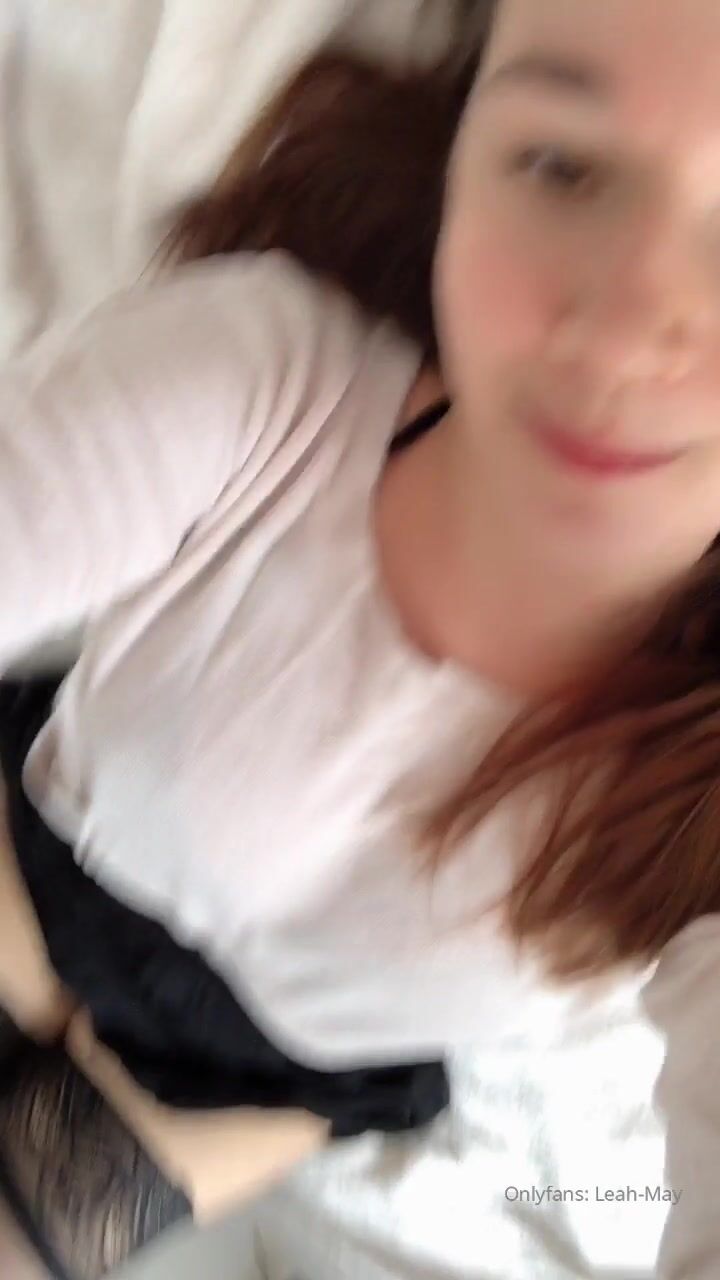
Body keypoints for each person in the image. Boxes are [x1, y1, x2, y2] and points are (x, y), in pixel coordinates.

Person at [2, 0, 720, 1270]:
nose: (620, 332)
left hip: (276, 1086)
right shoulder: (261, 385)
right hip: (36, 868)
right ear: (463, 152)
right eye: (561, 164)